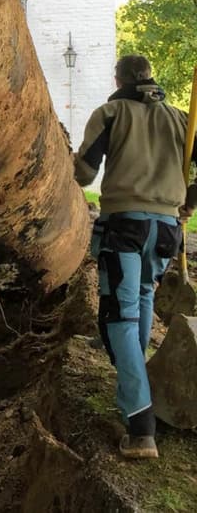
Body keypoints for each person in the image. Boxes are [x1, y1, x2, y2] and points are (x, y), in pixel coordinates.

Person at [74, 54, 197, 460]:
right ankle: (135, 390)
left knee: (120, 318)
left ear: (119, 79)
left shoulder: (110, 113)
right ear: (150, 77)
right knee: (142, 297)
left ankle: (141, 425)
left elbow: (84, 174)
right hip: (165, 230)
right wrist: (189, 202)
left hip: (125, 224)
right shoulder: (182, 119)